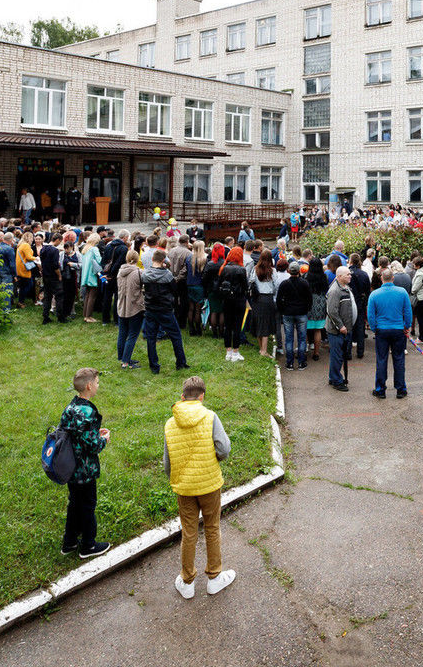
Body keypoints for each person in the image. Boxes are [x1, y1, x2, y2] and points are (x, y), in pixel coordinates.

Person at [164, 376, 235, 599]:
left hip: (184, 488)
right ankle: (214, 578)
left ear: (182, 396)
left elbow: (167, 463)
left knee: (189, 531)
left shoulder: (169, 423)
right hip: (209, 485)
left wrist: (176, 479)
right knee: (212, 527)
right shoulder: (210, 416)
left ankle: (187, 582)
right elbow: (223, 449)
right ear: (202, 396)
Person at [59, 368, 111, 558]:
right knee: (88, 505)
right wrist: (103, 439)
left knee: (74, 504)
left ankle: (69, 542)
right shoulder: (87, 411)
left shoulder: (71, 407)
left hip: (70, 467)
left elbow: (75, 435)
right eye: (97, 382)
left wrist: (93, 433)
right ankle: (88, 545)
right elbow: (93, 446)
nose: (98, 386)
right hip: (85, 470)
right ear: (89, 386)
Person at [142, 250, 190, 374]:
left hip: (150, 309)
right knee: (176, 336)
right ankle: (181, 363)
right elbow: (174, 289)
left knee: (151, 338)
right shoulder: (167, 275)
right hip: (165, 310)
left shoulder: (145, 274)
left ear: (153, 259)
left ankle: (154, 366)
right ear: (164, 260)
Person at [367, 268, 413, 399]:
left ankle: (380, 389)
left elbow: (371, 315)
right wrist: (406, 326)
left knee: (381, 359)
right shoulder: (402, 292)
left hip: (381, 330)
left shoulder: (374, 294)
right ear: (393, 278)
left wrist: (374, 328)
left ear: (382, 278)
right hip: (398, 329)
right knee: (399, 360)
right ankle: (401, 389)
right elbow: (408, 311)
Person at [324, 265, 356, 391]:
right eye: (347, 274)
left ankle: (333, 377)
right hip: (337, 330)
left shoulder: (345, 287)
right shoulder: (335, 291)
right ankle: (337, 381)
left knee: (338, 355)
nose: (350, 276)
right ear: (339, 276)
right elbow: (331, 311)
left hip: (345, 329)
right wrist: (341, 326)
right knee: (337, 356)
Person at [217, 247, 250, 363]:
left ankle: (228, 351)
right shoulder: (241, 270)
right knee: (237, 326)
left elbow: (219, 284)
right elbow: (246, 287)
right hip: (238, 300)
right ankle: (235, 352)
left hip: (226, 300)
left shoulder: (224, 268)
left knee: (228, 326)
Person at [276, 262, 311, 370]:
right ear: (299, 271)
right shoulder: (304, 283)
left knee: (289, 338)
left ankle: (290, 363)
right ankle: (301, 362)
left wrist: (282, 310)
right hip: (301, 312)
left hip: (288, 312)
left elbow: (278, 299)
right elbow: (309, 299)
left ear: (289, 271)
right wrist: (307, 309)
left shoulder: (284, 284)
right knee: (301, 338)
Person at [116, 250, 144, 368]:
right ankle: (126, 362)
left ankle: (123, 357)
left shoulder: (120, 272)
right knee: (132, 334)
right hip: (135, 307)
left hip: (122, 306)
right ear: (137, 260)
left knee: (122, 333)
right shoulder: (139, 272)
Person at [305, 258, 329, 362]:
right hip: (320, 304)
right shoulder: (324, 277)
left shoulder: (306, 276)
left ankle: (304, 350)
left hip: (308, 303)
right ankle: (316, 352)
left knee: (304, 329)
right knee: (318, 329)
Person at [347, 253, 371, 359]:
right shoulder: (364, 274)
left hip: (348, 303)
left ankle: (348, 353)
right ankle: (360, 352)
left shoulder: (346, 273)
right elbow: (367, 290)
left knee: (349, 327)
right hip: (360, 302)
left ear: (350, 261)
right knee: (360, 327)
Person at [39, 232, 65, 324]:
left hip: (45, 275)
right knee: (59, 296)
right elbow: (55, 266)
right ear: (57, 240)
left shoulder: (43, 249)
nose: (60, 244)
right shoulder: (54, 250)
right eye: (60, 242)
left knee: (47, 296)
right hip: (53, 276)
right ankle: (60, 317)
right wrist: (59, 275)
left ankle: (45, 316)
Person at [79, 234, 102, 323]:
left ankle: (85, 315)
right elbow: (100, 260)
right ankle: (89, 317)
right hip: (92, 275)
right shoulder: (94, 249)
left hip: (85, 274)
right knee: (92, 296)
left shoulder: (85, 249)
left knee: (88, 295)